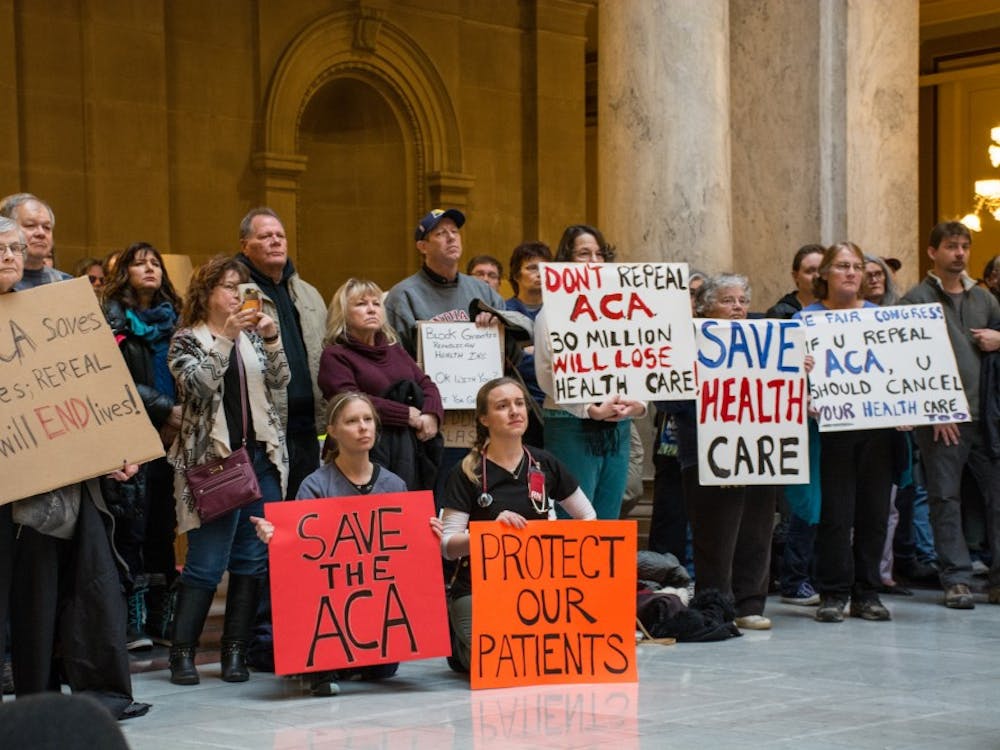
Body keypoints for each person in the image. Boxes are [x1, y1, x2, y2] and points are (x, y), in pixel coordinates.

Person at [0, 216, 149, 721]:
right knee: (25, 605)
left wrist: (116, 449)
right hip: (11, 489)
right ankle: (35, 701)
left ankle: (80, 695)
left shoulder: (60, 305)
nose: (10, 255)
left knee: (74, 592)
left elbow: (91, 387)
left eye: (15, 247)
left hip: (64, 488)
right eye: (0, 247)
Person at [166, 255, 289, 685]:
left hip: (260, 458)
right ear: (207, 294)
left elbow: (281, 381)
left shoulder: (252, 337)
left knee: (252, 559)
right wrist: (225, 339)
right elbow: (197, 388)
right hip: (214, 463)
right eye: (228, 287)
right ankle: (182, 654)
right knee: (205, 562)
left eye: (241, 287)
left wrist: (272, 339)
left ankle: (234, 653)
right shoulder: (187, 340)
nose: (238, 295)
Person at [430, 377, 596, 672]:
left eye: (519, 404)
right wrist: (489, 533)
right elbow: (447, 546)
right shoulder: (466, 472)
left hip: (538, 588)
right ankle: (459, 645)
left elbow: (588, 517)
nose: (515, 411)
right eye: (502, 406)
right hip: (477, 587)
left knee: (552, 662)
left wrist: (558, 539)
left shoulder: (545, 464)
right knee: (496, 666)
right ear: (484, 419)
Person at [251, 392, 407, 696]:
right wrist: (276, 537)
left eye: (367, 420)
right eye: (352, 421)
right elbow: (300, 552)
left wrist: (426, 531)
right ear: (333, 431)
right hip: (326, 602)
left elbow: (403, 553)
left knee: (385, 669)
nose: (363, 428)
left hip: (372, 603)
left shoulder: (394, 484)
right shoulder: (315, 484)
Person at [665, 274, 777, 630]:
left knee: (757, 530)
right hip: (704, 451)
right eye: (728, 301)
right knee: (716, 532)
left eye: (743, 300)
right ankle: (717, 604)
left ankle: (751, 604)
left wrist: (797, 373)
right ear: (704, 307)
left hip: (759, 450)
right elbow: (669, 400)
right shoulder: (684, 343)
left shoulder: (767, 340)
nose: (738, 308)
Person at [901, 221, 1000, 609]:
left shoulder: (986, 299)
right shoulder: (914, 299)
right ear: (932, 252)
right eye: (951, 247)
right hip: (942, 418)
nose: (959, 253)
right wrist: (933, 407)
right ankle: (956, 579)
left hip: (987, 417)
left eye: (964, 247)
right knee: (945, 497)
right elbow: (907, 363)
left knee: (996, 497)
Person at [801, 242, 893, 623]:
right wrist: (801, 379)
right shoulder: (804, 318)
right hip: (831, 430)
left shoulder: (881, 317)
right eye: (842, 266)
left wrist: (910, 403)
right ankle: (833, 593)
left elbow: (899, 373)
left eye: (856, 266)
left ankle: (867, 592)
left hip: (877, 430)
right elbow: (786, 377)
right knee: (836, 513)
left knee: (873, 512)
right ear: (824, 274)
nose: (852, 273)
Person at [100, 242, 183, 648]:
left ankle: (159, 613)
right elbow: (111, 378)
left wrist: (178, 415)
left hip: (173, 437)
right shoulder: (112, 318)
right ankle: (131, 617)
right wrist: (166, 409)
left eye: (155, 263)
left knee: (162, 526)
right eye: (139, 263)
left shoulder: (176, 319)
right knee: (130, 522)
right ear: (125, 273)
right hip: (130, 432)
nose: (149, 268)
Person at [533, 224, 646, 520]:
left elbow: (643, 358)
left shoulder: (624, 307)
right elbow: (547, 374)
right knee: (573, 519)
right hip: (570, 424)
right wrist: (587, 408)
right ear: (566, 261)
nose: (594, 261)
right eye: (584, 253)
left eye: (599, 254)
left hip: (617, 428)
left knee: (608, 517)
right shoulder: (552, 311)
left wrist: (639, 403)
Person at [317, 278, 443, 490]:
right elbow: (349, 400)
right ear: (343, 313)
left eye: (376, 304)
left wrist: (431, 414)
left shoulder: (395, 350)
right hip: (361, 453)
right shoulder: (335, 355)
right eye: (361, 304)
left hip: (409, 451)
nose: (371, 309)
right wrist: (405, 414)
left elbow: (427, 384)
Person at [235, 207, 327, 498]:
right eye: (265, 236)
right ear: (245, 246)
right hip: (264, 432)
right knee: (270, 521)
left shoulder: (309, 293)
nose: (275, 241)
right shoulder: (235, 293)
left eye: (280, 235)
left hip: (311, 428)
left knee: (308, 513)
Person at [505, 241, 552, 447]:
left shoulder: (562, 310)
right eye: (532, 268)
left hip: (558, 405)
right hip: (523, 407)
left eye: (544, 267)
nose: (540, 273)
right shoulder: (504, 312)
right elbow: (515, 363)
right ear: (516, 275)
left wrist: (535, 352)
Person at [0, 193, 71, 289]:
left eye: (47, 227)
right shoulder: (4, 284)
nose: (41, 233)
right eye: (30, 225)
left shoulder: (67, 283)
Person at [765, 244, 824, 319]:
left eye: (822, 270)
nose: (817, 276)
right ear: (795, 276)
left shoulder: (837, 308)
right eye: (810, 271)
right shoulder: (780, 313)